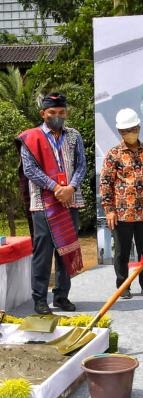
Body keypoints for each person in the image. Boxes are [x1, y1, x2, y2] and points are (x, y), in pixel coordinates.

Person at [17, 92, 86, 315]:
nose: (57, 116)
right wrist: (56, 188)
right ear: (43, 114)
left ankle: (62, 296)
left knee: (66, 249)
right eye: (52, 113)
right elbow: (29, 170)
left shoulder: (74, 136)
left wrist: (70, 188)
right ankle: (39, 299)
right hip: (43, 202)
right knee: (43, 252)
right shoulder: (31, 137)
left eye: (61, 112)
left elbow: (81, 166)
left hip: (70, 200)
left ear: (66, 113)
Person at [99, 108, 143, 299]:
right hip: (122, 213)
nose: (129, 133)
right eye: (125, 131)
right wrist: (109, 210)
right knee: (122, 252)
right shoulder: (114, 154)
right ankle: (123, 286)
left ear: (139, 128)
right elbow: (105, 183)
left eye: (132, 129)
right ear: (120, 132)